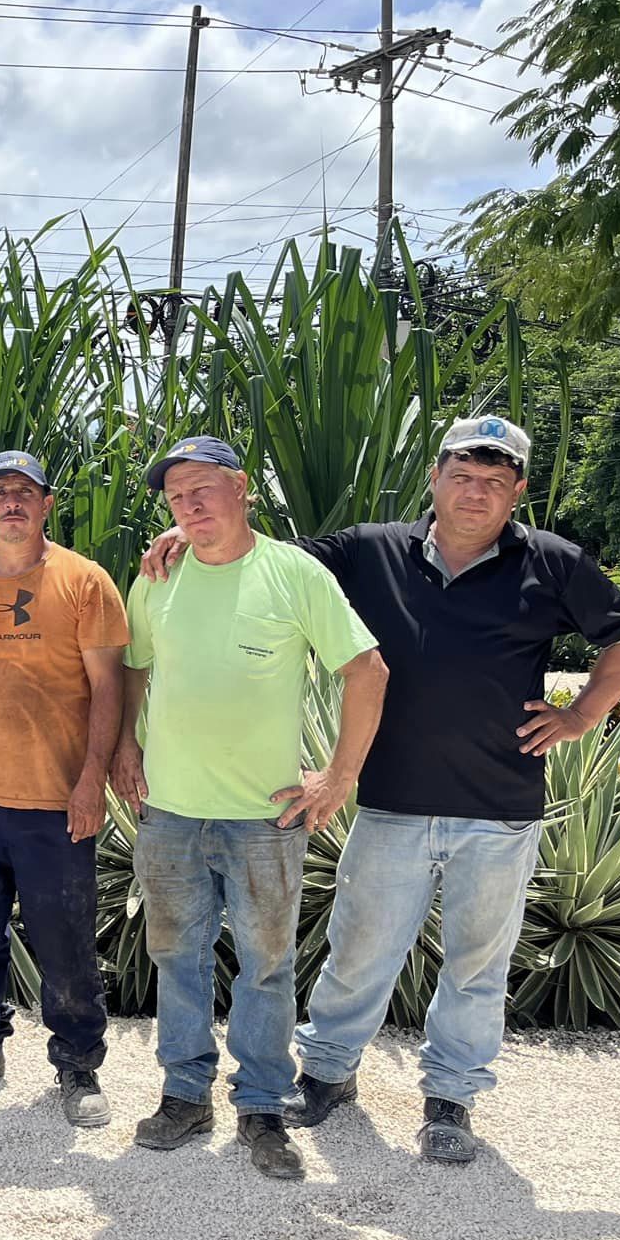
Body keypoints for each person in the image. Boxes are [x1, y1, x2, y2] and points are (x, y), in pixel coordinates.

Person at [144, 416, 620, 1162]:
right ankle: (326, 1074)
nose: (475, 492)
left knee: (477, 963)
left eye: (494, 480)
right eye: (461, 475)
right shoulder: (370, 549)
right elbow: (260, 558)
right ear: (435, 479)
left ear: (515, 492)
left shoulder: (552, 561)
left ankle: (450, 1095)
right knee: (359, 950)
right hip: (391, 798)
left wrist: (580, 716)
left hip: (499, 804)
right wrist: (192, 531)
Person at [112, 437, 387, 1180]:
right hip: (169, 810)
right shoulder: (156, 578)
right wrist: (124, 748)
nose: (190, 506)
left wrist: (338, 776)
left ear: (242, 489)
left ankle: (263, 1106)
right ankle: (184, 1094)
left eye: (203, 489)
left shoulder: (293, 574)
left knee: (266, 965)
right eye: (175, 497)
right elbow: (134, 669)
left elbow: (368, 669)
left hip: (264, 817)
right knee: (177, 958)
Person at [0, 452, 127, 1126]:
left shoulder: (85, 581)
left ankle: (77, 1064)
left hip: (55, 801)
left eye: (25, 492)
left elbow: (109, 688)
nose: (12, 501)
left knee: (64, 939)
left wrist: (92, 780)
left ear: (46, 505)